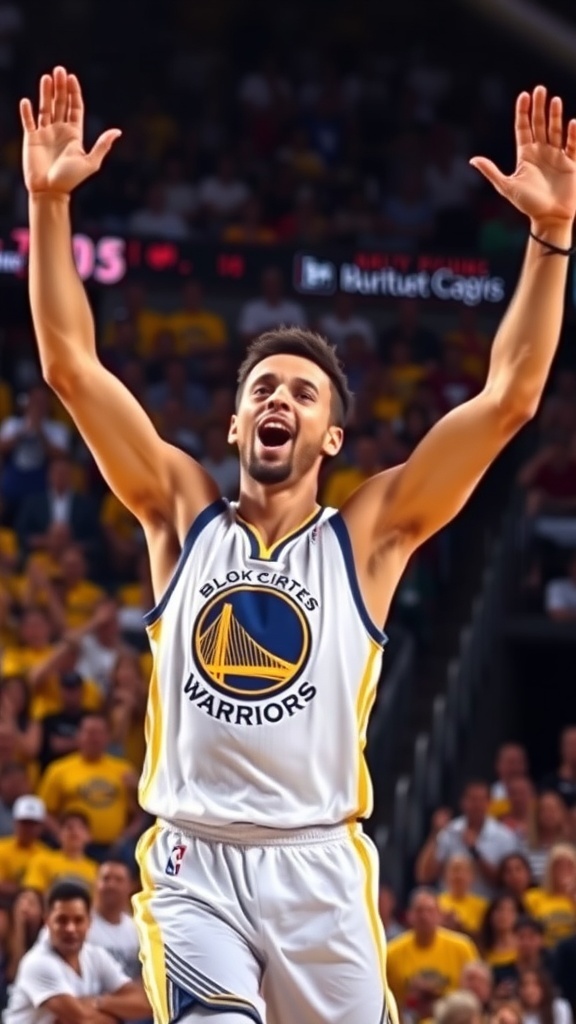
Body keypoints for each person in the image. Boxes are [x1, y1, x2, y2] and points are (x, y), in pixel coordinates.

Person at [20, 67, 576, 1024]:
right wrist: (48, 204)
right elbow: (72, 367)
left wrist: (552, 236)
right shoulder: (177, 512)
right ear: (237, 425)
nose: (279, 398)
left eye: (303, 393)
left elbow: (511, 399)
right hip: (194, 858)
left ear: (331, 439)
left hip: (319, 865)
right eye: (263, 390)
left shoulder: (369, 535)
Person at [4, 880, 151, 1024]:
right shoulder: (37, 962)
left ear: (89, 922)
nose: (70, 928)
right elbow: (83, 1020)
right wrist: (116, 1016)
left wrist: (99, 1002)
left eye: (78, 920)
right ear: (47, 921)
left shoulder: (95, 955)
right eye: (62, 920)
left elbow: (145, 1003)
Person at [88, 860, 141, 979]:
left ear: (130, 886)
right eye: (106, 879)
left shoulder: (137, 929)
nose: (111, 885)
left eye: (119, 880)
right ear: (95, 882)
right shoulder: (79, 924)